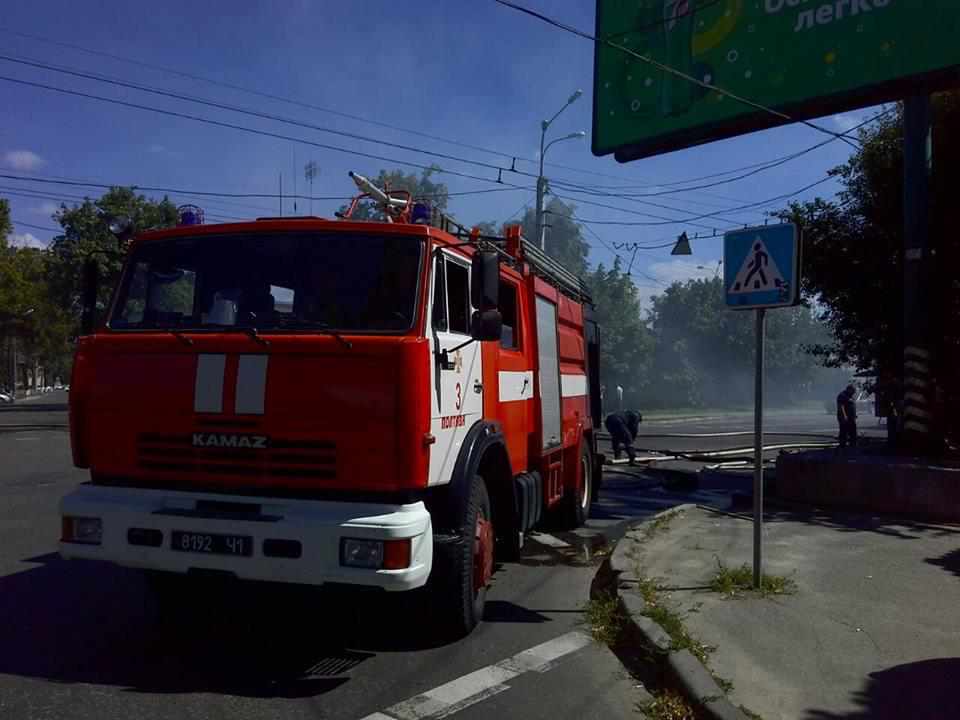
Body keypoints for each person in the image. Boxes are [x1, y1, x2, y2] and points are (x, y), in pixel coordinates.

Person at [837, 384, 858, 449]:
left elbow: (852, 405)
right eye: (853, 391)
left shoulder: (850, 396)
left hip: (851, 417)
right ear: (849, 389)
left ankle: (853, 443)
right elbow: (841, 406)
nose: (854, 392)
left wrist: (854, 414)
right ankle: (842, 444)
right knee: (843, 430)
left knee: (853, 430)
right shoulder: (842, 395)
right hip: (844, 417)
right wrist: (844, 415)